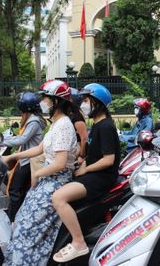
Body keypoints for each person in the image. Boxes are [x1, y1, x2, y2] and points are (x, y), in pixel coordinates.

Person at [3, 79, 77, 266]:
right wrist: (11, 157)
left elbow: (60, 163)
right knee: (21, 221)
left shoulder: (64, 125)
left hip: (56, 181)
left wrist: (37, 174)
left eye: (46, 98)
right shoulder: (55, 124)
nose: (43, 102)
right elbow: (39, 149)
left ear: (57, 101)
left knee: (29, 228)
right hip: (47, 180)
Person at [52, 83, 121, 263]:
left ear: (96, 103)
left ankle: (78, 242)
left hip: (102, 178)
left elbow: (108, 160)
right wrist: (77, 161)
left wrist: (85, 168)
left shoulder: (105, 126)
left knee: (58, 198)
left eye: (86, 100)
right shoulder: (97, 125)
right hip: (93, 174)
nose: (82, 104)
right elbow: (91, 154)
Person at [2, 92, 47, 222]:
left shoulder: (33, 121)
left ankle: (14, 221)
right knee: (15, 188)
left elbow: (22, 140)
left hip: (29, 160)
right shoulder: (31, 118)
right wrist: (5, 137)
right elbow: (21, 137)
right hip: (26, 158)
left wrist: (0, 142)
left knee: (15, 190)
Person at [70, 87, 88, 166]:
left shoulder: (77, 117)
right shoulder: (72, 115)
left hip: (77, 148)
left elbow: (84, 138)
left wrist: (81, 155)